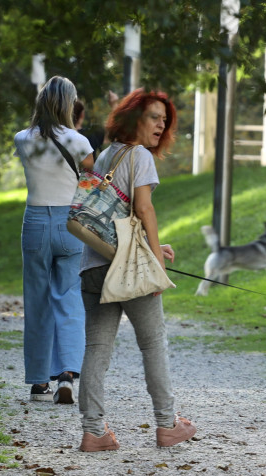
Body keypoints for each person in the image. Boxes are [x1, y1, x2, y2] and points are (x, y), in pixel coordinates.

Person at [77, 89, 196, 451]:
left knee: (96, 348)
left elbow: (112, 219)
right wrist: (156, 265)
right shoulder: (140, 156)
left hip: (94, 264)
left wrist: (150, 248)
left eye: (165, 119)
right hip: (127, 271)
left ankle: (94, 431)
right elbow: (143, 210)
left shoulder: (106, 155)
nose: (161, 124)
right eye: (154, 117)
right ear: (134, 120)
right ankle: (167, 424)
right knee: (153, 344)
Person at [14, 76, 95, 404]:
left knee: (37, 301)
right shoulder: (79, 141)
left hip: (35, 223)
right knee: (70, 297)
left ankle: (38, 381)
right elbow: (91, 177)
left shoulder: (22, 139)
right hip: (70, 225)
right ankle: (67, 375)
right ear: (68, 104)